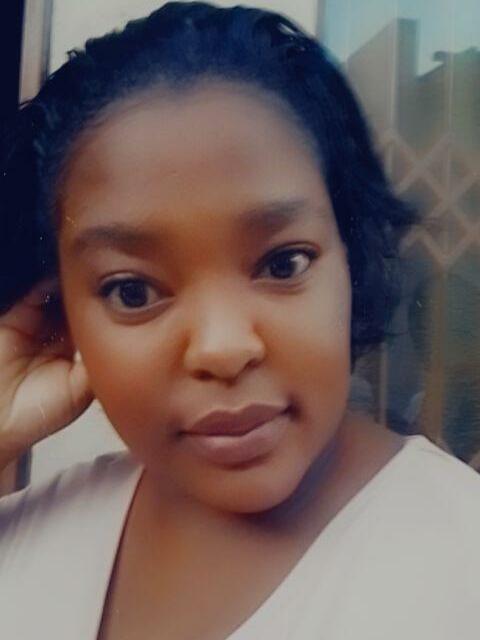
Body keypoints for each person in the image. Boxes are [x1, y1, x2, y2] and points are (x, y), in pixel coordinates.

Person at [0, 3, 479, 639]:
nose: (222, 348)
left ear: (350, 256)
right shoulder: (33, 535)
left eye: (283, 264)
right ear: (59, 315)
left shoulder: (462, 567)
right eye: (133, 291)